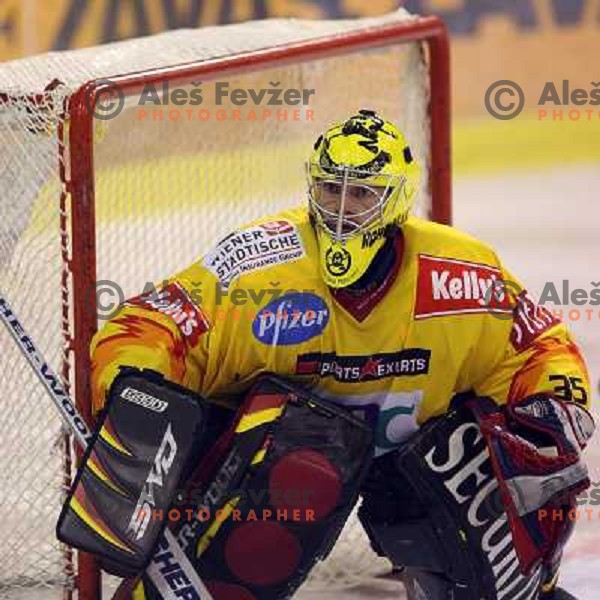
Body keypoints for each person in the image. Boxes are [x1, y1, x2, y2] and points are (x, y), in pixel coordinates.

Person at [91, 110, 594, 599]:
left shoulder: (458, 275)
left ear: (395, 199)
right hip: (272, 465)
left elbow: (538, 348)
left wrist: (553, 402)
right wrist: (137, 391)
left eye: (361, 193)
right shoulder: (259, 266)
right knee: (297, 464)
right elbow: (151, 323)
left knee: (485, 452)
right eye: (332, 188)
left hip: (410, 464)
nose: (341, 207)